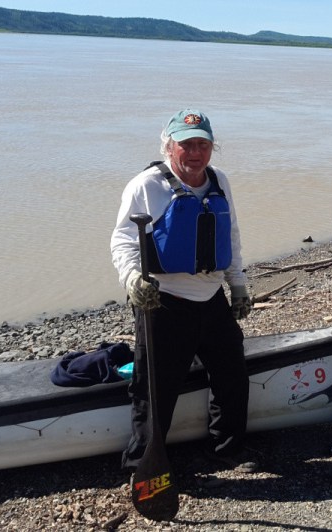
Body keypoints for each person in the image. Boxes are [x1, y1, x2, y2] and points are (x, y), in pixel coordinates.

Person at [110, 109, 257, 473]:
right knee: (154, 391)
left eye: (203, 145)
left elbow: (231, 235)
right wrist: (132, 279)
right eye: (186, 145)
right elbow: (123, 240)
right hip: (164, 303)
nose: (195, 153)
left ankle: (225, 449)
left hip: (211, 299)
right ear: (168, 146)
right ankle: (143, 465)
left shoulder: (219, 180)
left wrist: (237, 284)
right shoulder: (145, 185)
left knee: (232, 377)